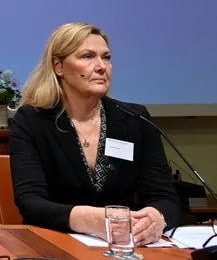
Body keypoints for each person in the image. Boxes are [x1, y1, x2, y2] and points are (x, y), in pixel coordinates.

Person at [9, 22, 178, 245]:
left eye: (106, 57)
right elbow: (30, 202)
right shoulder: (32, 121)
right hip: (53, 243)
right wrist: (89, 220)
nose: (101, 67)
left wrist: (157, 218)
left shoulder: (135, 120)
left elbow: (165, 198)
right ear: (58, 66)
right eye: (87, 56)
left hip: (122, 246)